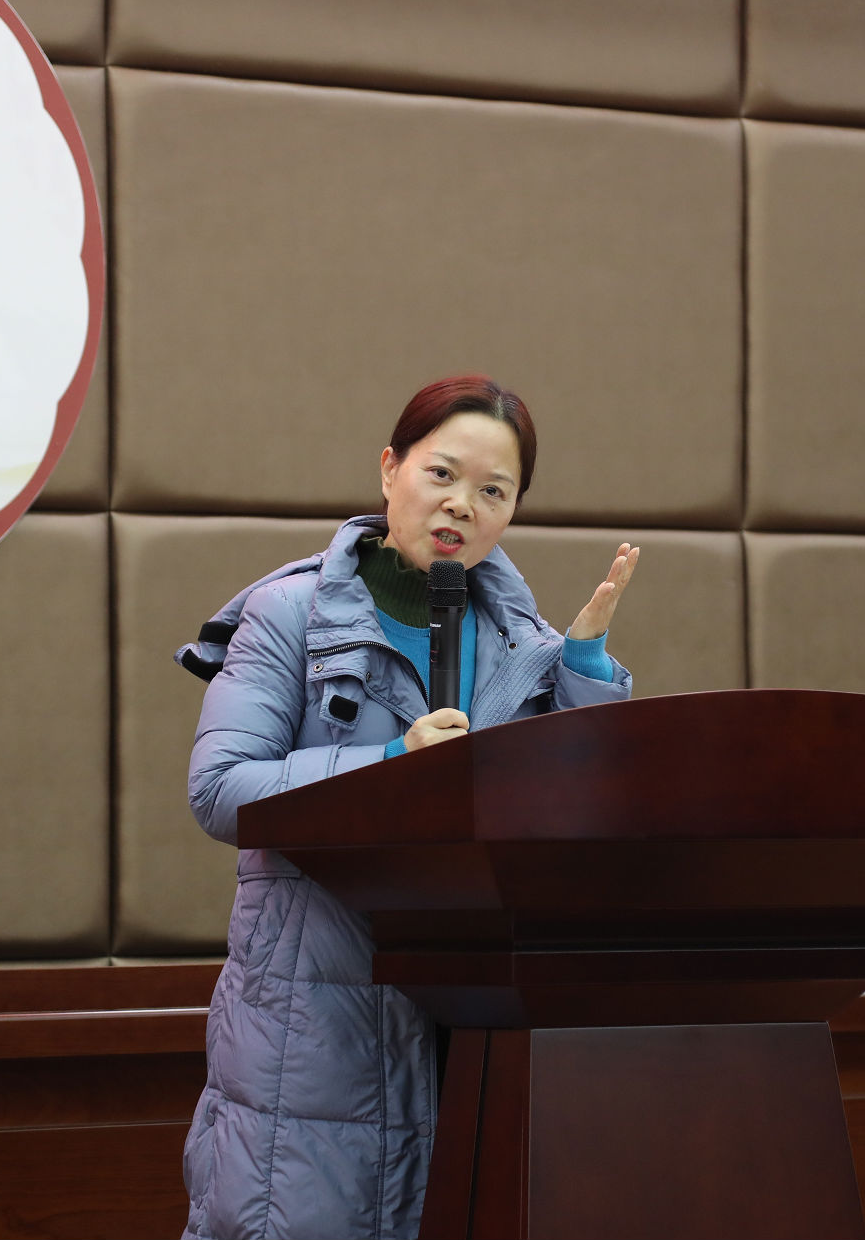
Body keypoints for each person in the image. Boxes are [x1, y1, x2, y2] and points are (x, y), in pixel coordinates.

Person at [175, 375, 640, 1240]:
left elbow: (579, 827)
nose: (462, 505)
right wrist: (391, 766)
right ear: (390, 469)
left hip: (479, 1030)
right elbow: (222, 790)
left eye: (493, 491)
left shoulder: (528, 647)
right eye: (442, 474)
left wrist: (582, 671)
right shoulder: (289, 613)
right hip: (314, 1029)